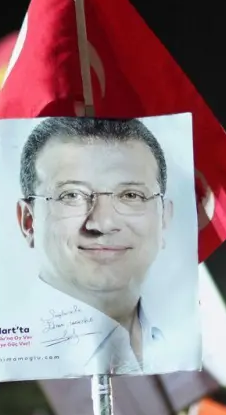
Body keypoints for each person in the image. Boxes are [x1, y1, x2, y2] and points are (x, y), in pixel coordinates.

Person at [14, 117, 176, 376]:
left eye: (131, 195)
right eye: (72, 195)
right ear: (28, 221)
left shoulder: (175, 346)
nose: (103, 222)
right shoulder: (21, 367)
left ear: (164, 219)